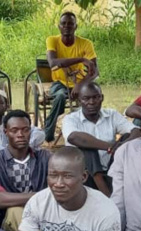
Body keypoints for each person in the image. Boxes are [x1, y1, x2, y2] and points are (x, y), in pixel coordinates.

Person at [0, 110, 50, 231]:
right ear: (5, 131)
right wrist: (40, 196)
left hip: (44, 215)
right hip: (10, 219)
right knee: (15, 210)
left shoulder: (44, 157)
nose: (20, 134)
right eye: (14, 130)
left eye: (25, 130)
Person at [62, 82, 139, 196]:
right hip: (83, 175)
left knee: (128, 138)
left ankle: (125, 185)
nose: (91, 102)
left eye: (95, 97)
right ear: (79, 101)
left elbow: (137, 132)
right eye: (86, 99)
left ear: (102, 98)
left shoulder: (111, 115)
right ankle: (107, 195)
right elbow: (74, 137)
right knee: (86, 148)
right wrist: (109, 147)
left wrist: (121, 146)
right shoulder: (71, 119)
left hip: (111, 169)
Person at [43, 11, 98, 143]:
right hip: (60, 82)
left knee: (93, 98)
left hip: (81, 83)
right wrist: (81, 59)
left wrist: (80, 85)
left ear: (75, 27)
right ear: (59, 26)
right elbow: (53, 63)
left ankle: (92, 131)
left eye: (70, 23)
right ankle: (48, 133)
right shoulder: (52, 40)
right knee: (60, 96)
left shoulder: (86, 43)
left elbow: (95, 71)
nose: (67, 26)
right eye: (64, 23)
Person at [0, 90, 44, 160]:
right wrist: (12, 151)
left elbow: (39, 133)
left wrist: (27, 146)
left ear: (6, 106)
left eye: (0, 103)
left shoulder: (12, 122)